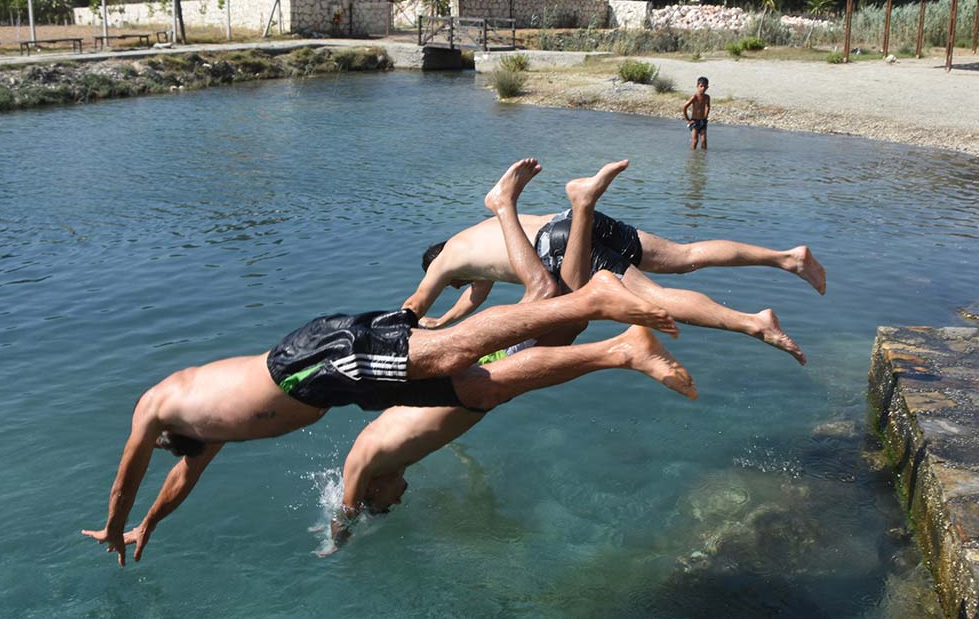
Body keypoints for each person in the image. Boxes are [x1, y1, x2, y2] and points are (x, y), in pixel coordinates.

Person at [80, 273, 693, 566]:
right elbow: (179, 479)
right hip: (336, 389)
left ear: (166, 435)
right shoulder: (202, 432)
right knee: (475, 391)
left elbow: (125, 477)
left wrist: (114, 523)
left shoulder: (158, 403)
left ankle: (590, 298)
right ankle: (622, 351)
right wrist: (149, 527)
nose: (181, 455)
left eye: (169, 448)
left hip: (307, 363)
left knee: (454, 351)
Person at [329, 157, 632, 551]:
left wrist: (336, 543)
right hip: (473, 387)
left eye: (387, 504)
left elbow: (346, 509)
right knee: (569, 319)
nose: (399, 499)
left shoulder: (365, 462)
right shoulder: (392, 464)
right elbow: (419, 426)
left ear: (372, 491)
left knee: (545, 296)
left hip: (470, 380)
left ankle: (505, 204)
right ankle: (582, 207)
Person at [405, 162, 825, 365]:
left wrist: (402, 331)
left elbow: (415, 303)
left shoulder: (443, 265)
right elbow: (469, 306)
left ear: (439, 267)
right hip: (566, 225)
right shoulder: (472, 245)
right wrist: (441, 326)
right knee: (685, 255)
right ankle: (787, 258)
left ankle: (754, 322)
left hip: (561, 245)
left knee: (653, 299)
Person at [682, 76, 711, 149]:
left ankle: (703, 157)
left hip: (702, 121)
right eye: (701, 86)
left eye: (705, 86)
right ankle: (693, 157)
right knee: (695, 141)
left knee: (704, 140)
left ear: (707, 87)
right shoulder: (694, 97)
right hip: (694, 121)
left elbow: (708, 106)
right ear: (697, 86)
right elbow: (684, 107)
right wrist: (688, 120)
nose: (703, 88)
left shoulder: (707, 97)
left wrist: (706, 116)